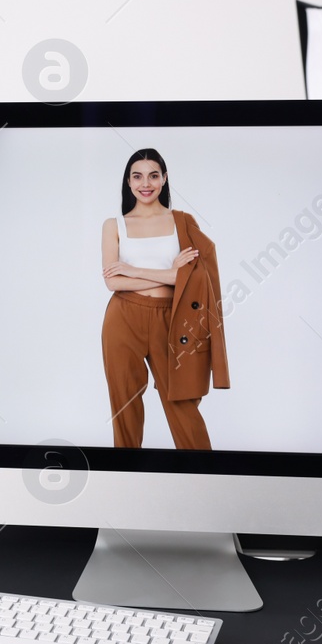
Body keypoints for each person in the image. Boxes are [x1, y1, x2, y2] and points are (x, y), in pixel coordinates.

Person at [99, 148, 229, 449]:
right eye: (138, 176)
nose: (146, 183)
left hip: (171, 319)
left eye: (153, 175)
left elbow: (197, 279)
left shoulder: (181, 222)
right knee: (124, 404)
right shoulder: (113, 225)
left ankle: (204, 478)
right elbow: (111, 281)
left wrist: (134, 270)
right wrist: (170, 273)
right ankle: (127, 476)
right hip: (122, 318)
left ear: (164, 179)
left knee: (181, 402)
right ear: (129, 182)